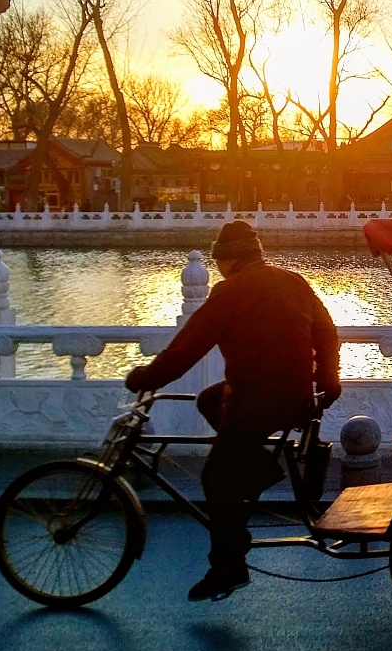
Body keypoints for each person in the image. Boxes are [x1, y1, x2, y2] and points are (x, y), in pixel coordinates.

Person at [125, 219, 341, 602]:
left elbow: (186, 349)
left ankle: (229, 566)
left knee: (215, 477)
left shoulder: (230, 293)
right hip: (294, 396)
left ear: (228, 261)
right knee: (208, 399)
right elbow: (326, 330)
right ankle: (259, 467)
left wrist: (146, 377)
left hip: (259, 399)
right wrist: (327, 375)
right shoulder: (293, 281)